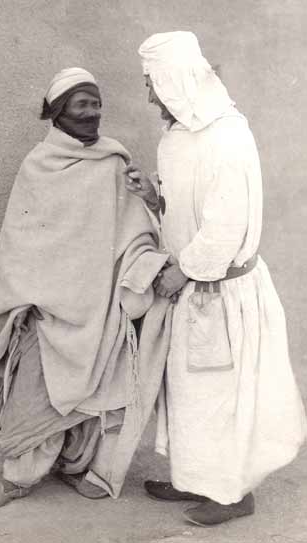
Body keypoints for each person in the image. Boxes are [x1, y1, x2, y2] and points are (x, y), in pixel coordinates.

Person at [125, 31, 307, 526]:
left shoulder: (228, 135)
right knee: (188, 390)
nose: (148, 95)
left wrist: (183, 269)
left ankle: (231, 493)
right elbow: (188, 209)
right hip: (193, 287)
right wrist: (152, 197)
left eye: (151, 83)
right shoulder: (181, 134)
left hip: (222, 291)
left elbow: (226, 227)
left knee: (220, 395)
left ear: (176, 79)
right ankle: (194, 477)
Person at [0, 67, 171, 509]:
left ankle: (90, 468)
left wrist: (141, 260)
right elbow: (18, 243)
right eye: (82, 105)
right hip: (49, 306)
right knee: (35, 387)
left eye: (96, 104)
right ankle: (18, 477)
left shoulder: (115, 161)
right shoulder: (36, 166)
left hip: (101, 303)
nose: (92, 113)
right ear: (58, 112)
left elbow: (136, 231)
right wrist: (26, 298)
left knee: (108, 381)